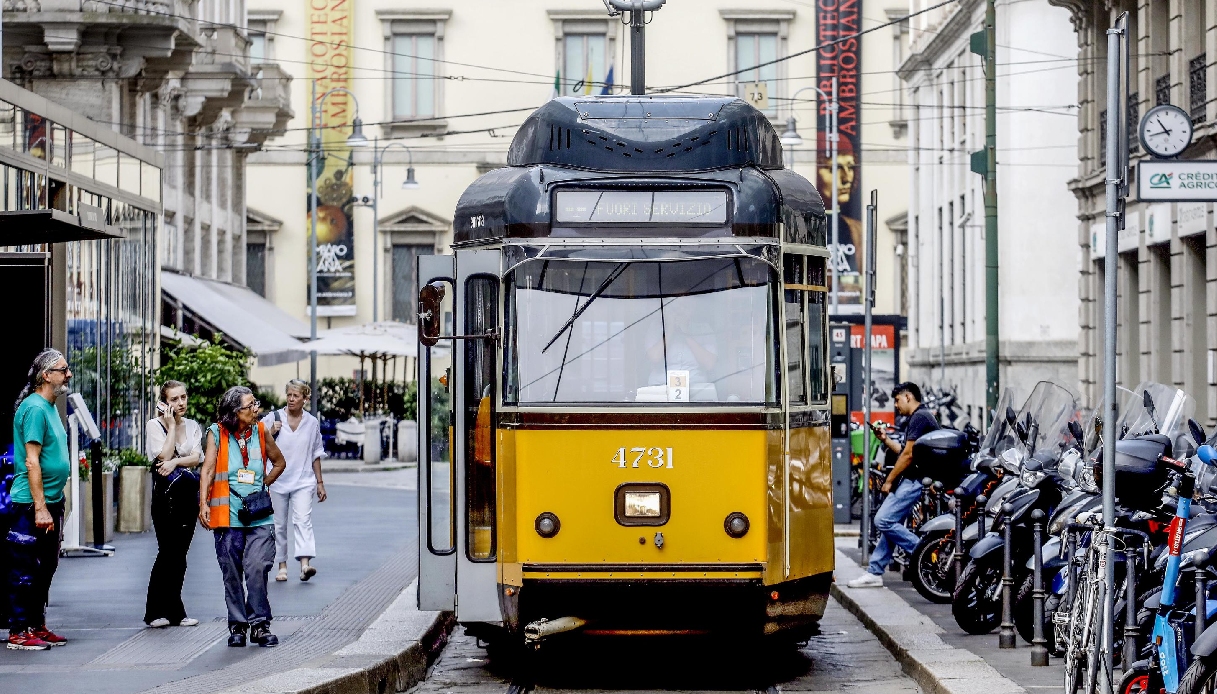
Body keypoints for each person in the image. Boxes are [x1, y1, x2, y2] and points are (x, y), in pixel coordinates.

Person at [198, 386, 287, 647]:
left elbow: (279, 462)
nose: (256, 409)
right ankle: (237, 625)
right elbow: (207, 471)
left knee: (257, 566)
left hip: (258, 515)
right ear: (236, 412)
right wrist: (203, 503)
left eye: (255, 403)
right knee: (232, 572)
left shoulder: (260, 431)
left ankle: (260, 624)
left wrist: (263, 485)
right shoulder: (217, 433)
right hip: (227, 515)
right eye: (250, 405)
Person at [6, 349, 73, 650]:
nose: (68, 374)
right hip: (32, 504)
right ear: (46, 375)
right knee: (26, 568)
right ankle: (19, 632)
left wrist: (57, 501)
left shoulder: (49, 407)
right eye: (63, 369)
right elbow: (32, 462)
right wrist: (42, 508)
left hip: (50, 502)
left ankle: (36, 624)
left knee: (45, 566)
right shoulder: (34, 409)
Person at [846, 381, 941, 588]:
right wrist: (885, 439)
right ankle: (874, 572)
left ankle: (924, 552)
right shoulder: (918, 417)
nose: (896, 405)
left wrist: (888, 481)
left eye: (897, 400)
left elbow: (907, 455)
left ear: (908, 397)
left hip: (916, 480)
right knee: (890, 523)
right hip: (915, 478)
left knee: (883, 521)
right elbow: (905, 451)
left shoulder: (919, 417)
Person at [143, 380, 203, 628]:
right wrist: (169, 427)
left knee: (180, 555)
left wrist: (177, 463)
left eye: (183, 397)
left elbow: (196, 458)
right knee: (168, 553)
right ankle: (156, 611)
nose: (181, 403)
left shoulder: (193, 426)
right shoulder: (154, 425)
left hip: (188, 496)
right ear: (164, 403)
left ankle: (175, 610)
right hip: (165, 499)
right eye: (174, 399)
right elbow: (162, 457)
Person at [262, 380, 327, 583]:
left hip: (304, 480)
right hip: (277, 480)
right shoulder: (273, 418)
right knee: (279, 525)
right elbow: (254, 439)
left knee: (302, 521)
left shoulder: (311, 423)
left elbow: (315, 453)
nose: (291, 399)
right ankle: (282, 566)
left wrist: (319, 482)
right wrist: (270, 432)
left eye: (296, 396)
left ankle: (305, 564)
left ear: (305, 399)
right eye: (289, 395)